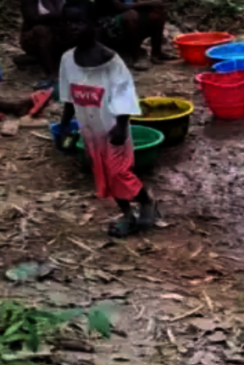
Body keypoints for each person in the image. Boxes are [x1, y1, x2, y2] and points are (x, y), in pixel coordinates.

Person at [55, 0, 158, 238]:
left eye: (78, 22)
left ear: (93, 24)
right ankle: (127, 214)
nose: (72, 27)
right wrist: (64, 126)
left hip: (113, 129)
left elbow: (125, 94)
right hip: (91, 131)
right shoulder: (67, 60)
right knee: (105, 175)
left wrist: (121, 126)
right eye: (67, 22)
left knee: (119, 173)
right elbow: (69, 97)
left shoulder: (110, 60)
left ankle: (145, 200)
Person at [94, 0, 175, 71]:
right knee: (131, 17)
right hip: (107, 21)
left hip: (127, 12)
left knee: (157, 13)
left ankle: (156, 54)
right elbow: (119, 7)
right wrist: (149, 3)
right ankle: (136, 56)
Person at [19, 0, 70, 89]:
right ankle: (51, 73)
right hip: (34, 38)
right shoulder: (30, 2)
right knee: (42, 31)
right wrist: (58, 16)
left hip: (57, 35)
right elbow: (32, 18)